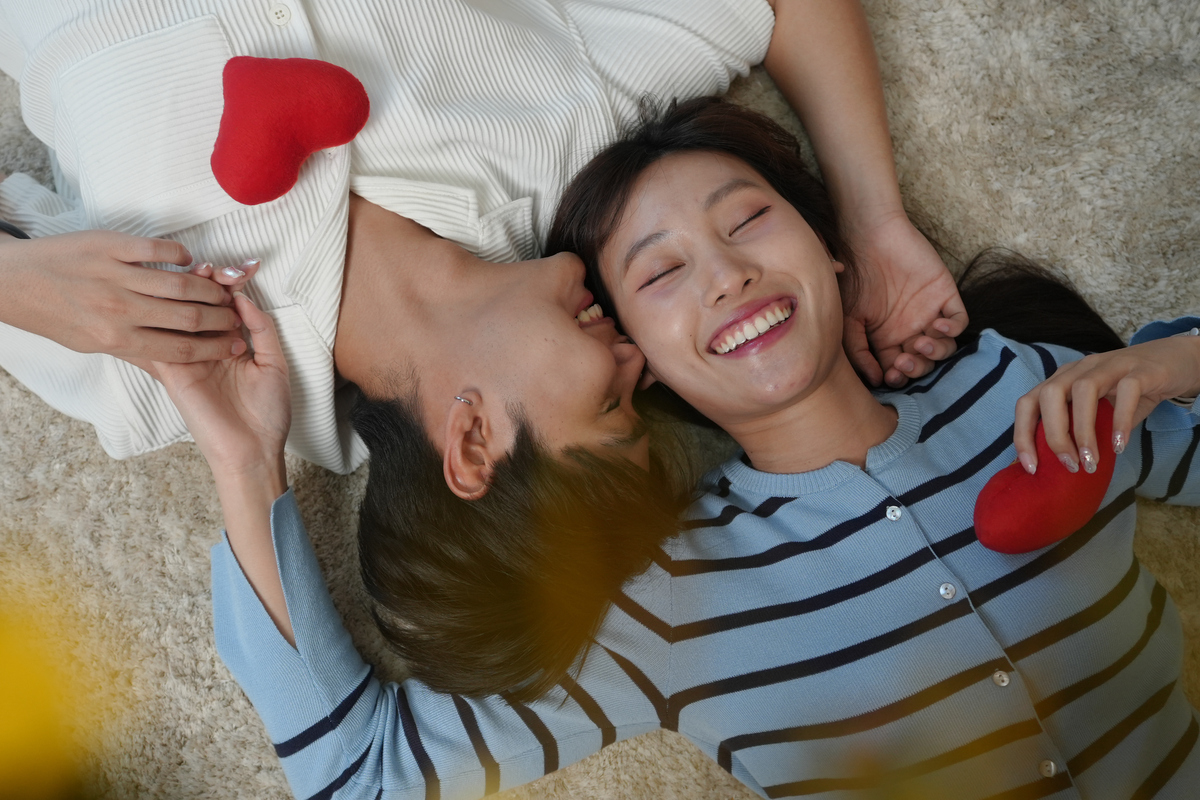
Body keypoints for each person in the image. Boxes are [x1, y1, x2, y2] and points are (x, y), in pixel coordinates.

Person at [158, 98, 1198, 799]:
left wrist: (1168, 365)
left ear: (834, 255)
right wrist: (246, 464)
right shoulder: (660, 602)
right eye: (659, 275)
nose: (726, 274)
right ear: (638, 357)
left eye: (749, 219)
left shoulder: (1023, 393)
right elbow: (361, 775)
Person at [0, 0, 967, 698]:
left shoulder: (164, 366)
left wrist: (24, 284)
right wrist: (875, 225)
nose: (635, 359)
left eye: (610, 405)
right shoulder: (573, 139)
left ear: (471, 442)